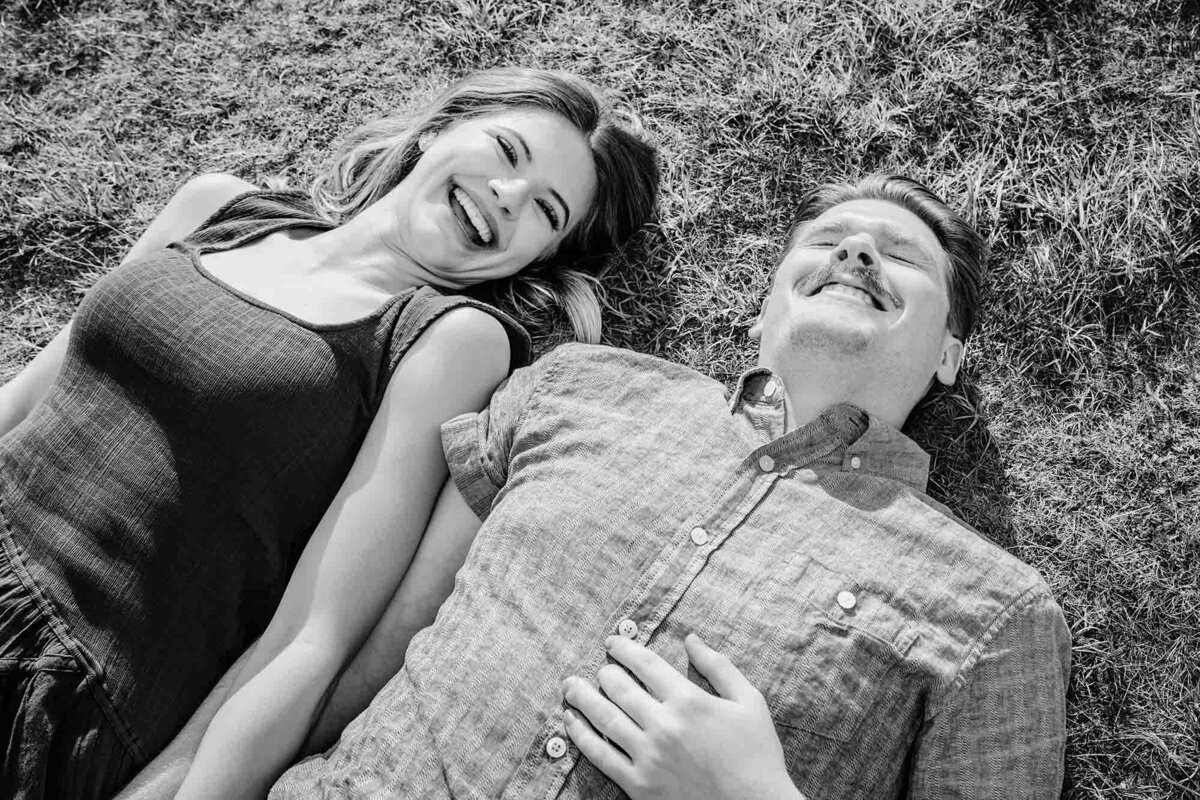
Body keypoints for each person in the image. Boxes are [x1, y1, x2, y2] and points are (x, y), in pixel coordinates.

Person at [263, 174, 1071, 799]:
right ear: (761, 312)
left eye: (899, 258)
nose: (857, 256)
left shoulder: (995, 611)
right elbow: (378, 636)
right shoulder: (581, 386)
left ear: (949, 356)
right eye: (828, 243)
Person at [0, 67, 658, 800]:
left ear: (542, 257)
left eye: (546, 210)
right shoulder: (218, 206)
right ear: (440, 130)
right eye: (506, 152)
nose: (508, 196)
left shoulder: (447, 340)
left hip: (52, 681)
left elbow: (312, 640)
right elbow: (23, 399)